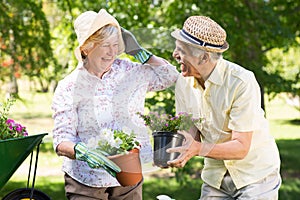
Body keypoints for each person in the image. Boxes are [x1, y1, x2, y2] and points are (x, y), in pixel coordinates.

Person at [52, 8, 179, 200]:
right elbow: (62, 140)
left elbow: (170, 77)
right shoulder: (69, 87)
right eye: (105, 45)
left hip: (129, 177)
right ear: (86, 48)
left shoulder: (130, 71)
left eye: (115, 45)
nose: (112, 52)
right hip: (86, 181)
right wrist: (83, 153)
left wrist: (140, 53)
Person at [167, 16, 281, 199]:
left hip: (255, 177)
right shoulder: (183, 82)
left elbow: (240, 147)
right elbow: (191, 130)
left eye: (182, 50)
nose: (174, 54)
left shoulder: (241, 82)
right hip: (216, 178)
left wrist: (196, 149)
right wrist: (177, 150)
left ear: (203, 57)